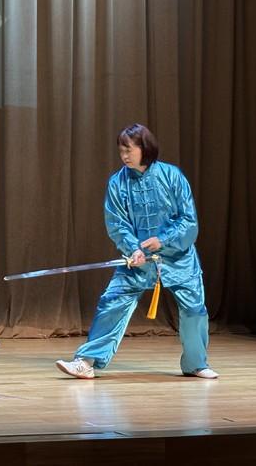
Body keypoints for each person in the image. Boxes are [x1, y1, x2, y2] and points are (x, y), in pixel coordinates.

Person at [55, 123, 218, 380]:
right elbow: (117, 223)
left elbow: (188, 220)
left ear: (144, 148)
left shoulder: (172, 176)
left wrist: (162, 240)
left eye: (129, 150)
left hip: (179, 258)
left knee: (194, 309)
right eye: (121, 151)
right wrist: (134, 249)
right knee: (112, 302)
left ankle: (196, 364)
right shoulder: (117, 183)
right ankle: (85, 361)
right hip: (139, 260)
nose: (124, 156)